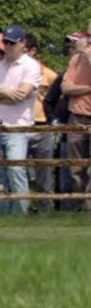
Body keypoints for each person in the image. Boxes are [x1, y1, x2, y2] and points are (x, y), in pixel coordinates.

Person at [0, 24, 42, 214]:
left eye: (12, 43)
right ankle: (0, 214)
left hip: (18, 127)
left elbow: (21, 95)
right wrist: (5, 92)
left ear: (23, 43)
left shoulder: (31, 66)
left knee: (16, 168)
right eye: (6, 42)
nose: (8, 46)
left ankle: (20, 212)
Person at [24, 33, 58, 212]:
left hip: (43, 126)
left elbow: (57, 99)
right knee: (17, 170)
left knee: (44, 172)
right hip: (21, 126)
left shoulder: (49, 75)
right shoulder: (16, 72)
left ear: (33, 51)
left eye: (24, 50)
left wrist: (53, 120)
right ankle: (21, 208)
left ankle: (46, 210)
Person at [61, 31, 91, 210]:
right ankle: (80, 207)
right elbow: (65, 87)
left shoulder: (84, 56)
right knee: (75, 168)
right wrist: (88, 88)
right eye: (88, 35)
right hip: (78, 117)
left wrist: (87, 55)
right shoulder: (76, 60)